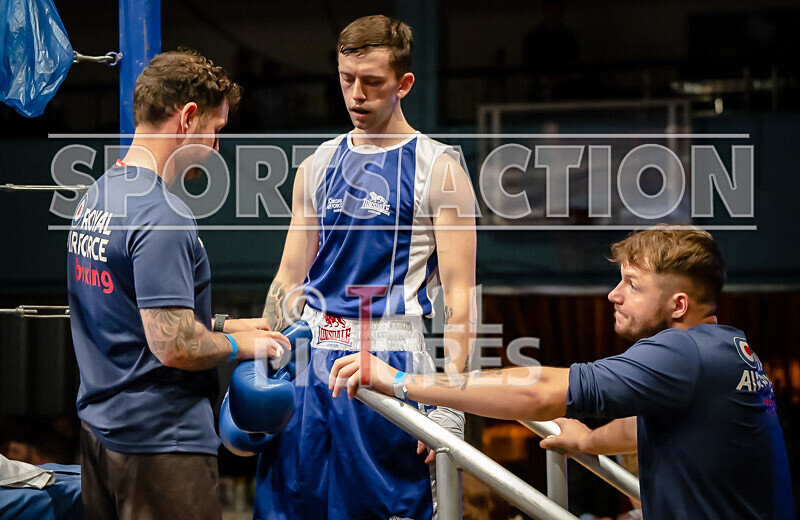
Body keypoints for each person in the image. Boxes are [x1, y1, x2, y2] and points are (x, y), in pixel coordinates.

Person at [331, 227, 795, 519]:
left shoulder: (682, 351)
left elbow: (541, 392)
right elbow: (657, 424)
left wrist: (400, 382)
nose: (613, 295)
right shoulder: (730, 349)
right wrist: (592, 442)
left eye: (631, 285)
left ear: (678, 305)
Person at [258, 14, 477, 520]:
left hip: (391, 358)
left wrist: (451, 398)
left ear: (403, 84)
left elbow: (460, 293)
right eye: (346, 79)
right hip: (311, 360)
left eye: (372, 82)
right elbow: (289, 276)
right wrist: (264, 366)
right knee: (292, 508)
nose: (356, 95)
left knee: (387, 509)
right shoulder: (316, 165)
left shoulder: (439, 168)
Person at [66, 50, 290, 520]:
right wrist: (236, 345)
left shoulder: (98, 195)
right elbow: (171, 344)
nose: (214, 147)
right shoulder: (161, 215)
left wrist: (230, 324)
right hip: (160, 448)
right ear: (188, 118)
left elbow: (134, 312)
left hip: (100, 439)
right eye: (215, 130)